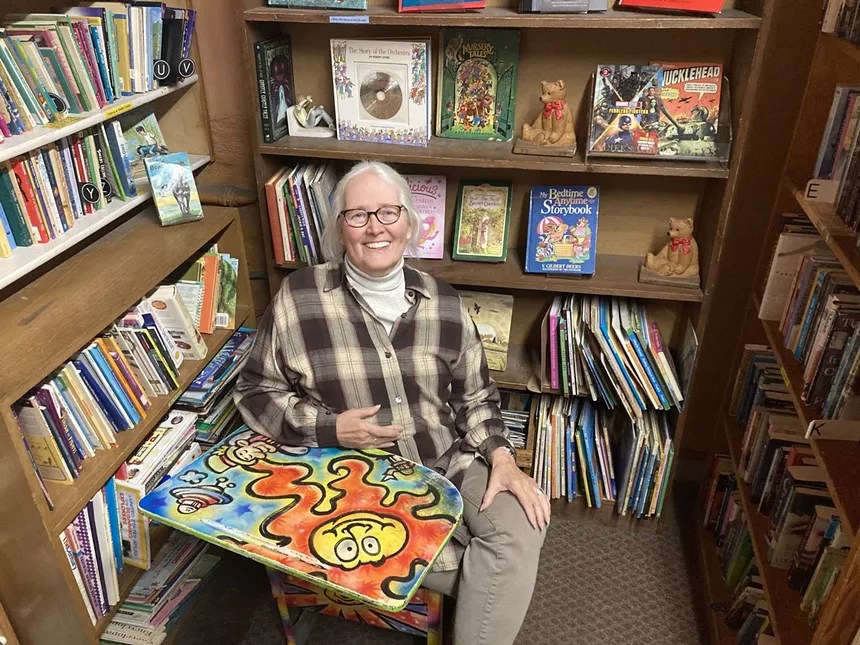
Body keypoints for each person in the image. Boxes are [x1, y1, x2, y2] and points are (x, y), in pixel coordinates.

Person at [234, 161, 549, 645]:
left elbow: (477, 396)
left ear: (408, 223)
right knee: (495, 565)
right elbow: (256, 392)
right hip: (354, 478)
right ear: (340, 230)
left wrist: (502, 457)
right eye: (358, 215)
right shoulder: (298, 298)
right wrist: (329, 428)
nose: (375, 227)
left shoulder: (444, 302)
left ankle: (448, 571)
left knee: (522, 524)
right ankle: (470, 575)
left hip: (446, 458)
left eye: (388, 212)